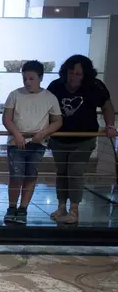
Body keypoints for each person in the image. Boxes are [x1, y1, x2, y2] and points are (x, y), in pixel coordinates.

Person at [47, 55, 117, 224]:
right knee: (62, 173)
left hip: (84, 139)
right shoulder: (56, 86)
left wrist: (110, 126)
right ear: (66, 72)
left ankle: (74, 210)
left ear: (85, 74)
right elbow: (45, 106)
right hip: (59, 138)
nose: (74, 77)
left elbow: (107, 105)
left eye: (79, 74)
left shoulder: (95, 86)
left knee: (75, 172)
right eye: (71, 73)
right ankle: (61, 206)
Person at [2, 60, 62, 224]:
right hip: (16, 142)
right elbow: (7, 118)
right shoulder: (15, 94)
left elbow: (57, 121)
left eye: (31, 78)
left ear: (40, 78)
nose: (27, 82)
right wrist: (17, 135)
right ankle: (12, 207)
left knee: (30, 175)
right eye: (25, 78)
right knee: (15, 175)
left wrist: (42, 134)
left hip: (38, 144)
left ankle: (23, 209)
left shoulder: (50, 97)